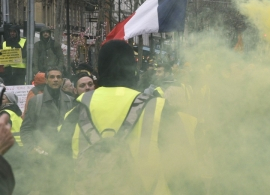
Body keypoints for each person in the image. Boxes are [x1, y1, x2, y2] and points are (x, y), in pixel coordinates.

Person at [58, 40, 200, 194]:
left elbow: (56, 168)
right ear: (133, 69)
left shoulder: (76, 111)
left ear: (99, 71)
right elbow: (185, 169)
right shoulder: (158, 108)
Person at [20, 67, 73, 154]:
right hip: (43, 155)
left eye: (58, 77)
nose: (55, 80)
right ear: (46, 80)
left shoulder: (70, 101)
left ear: (62, 80)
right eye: (52, 77)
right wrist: (32, 147)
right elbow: (26, 129)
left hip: (65, 155)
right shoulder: (36, 101)